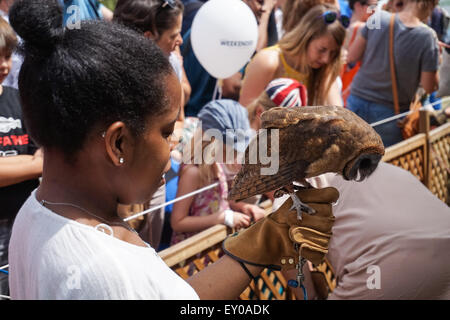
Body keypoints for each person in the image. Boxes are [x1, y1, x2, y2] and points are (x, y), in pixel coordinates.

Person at [7, 0, 336, 300]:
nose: (174, 147)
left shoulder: (38, 212)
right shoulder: (107, 274)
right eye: (166, 132)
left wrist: (264, 240)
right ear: (118, 143)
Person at [282, 162, 450, 299]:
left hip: (382, 270)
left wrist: (310, 297)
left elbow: (285, 251)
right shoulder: (375, 166)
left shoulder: (291, 189)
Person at [112, 0, 192, 248]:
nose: (180, 42)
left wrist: (167, 139)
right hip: (117, 185)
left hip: (157, 179)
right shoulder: (108, 76)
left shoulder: (172, 67)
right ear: (148, 37)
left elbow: (179, 120)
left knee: (151, 252)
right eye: (174, 35)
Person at [170, 99, 266, 245]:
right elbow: (177, 222)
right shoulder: (193, 172)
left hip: (213, 243)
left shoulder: (217, 164)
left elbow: (223, 198)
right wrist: (222, 218)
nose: (235, 156)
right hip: (192, 250)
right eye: (232, 149)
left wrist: (242, 207)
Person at [347, 0, 439, 147]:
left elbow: (352, 56)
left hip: (356, 100)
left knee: (348, 158)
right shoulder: (427, 37)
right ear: (430, 5)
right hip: (389, 113)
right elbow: (429, 87)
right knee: (383, 165)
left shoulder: (378, 18)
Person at [0, 16, 42, 297]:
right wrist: (33, 163)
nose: (5, 65)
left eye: (7, 56)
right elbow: (39, 160)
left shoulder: (21, 98)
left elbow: (46, 154)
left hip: (22, 219)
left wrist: (33, 162)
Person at [239, 4, 347, 108]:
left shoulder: (323, 70)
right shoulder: (269, 61)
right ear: (305, 38)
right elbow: (246, 114)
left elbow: (338, 112)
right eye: (322, 50)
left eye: (333, 53)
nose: (326, 59)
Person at [341, 0, 378, 104]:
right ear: (357, 5)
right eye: (372, 6)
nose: (375, 10)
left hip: (342, 81)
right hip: (353, 86)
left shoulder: (343, 25)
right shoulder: (362, 28)